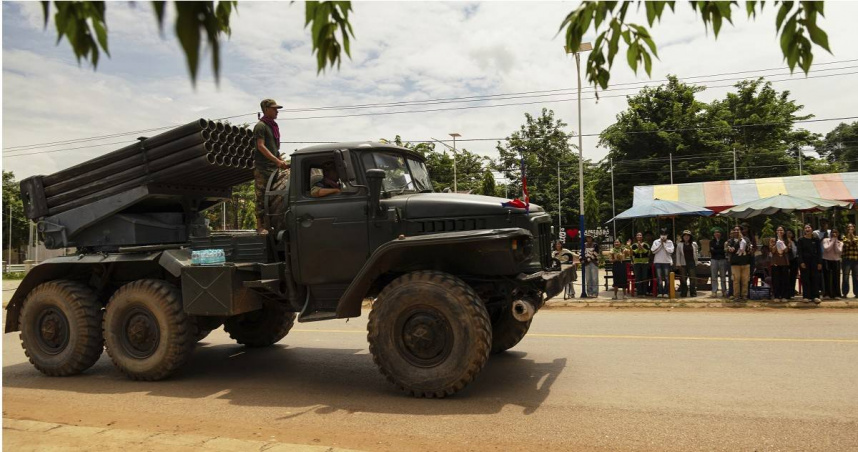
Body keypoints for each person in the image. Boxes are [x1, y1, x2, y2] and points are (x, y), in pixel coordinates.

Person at [253, 98, 291, 234]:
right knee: (261, 196)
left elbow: (274, 148)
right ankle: (260, 226)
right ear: (266, 109)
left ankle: (270, 224)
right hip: (263, 168)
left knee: (273, 197)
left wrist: (280, 160)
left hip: (273, 167)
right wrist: (276, 161)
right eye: (274, 109)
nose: (277, 111)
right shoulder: (261, 126)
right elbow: (261, 146)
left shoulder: (272, 126)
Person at [797, 223, 822, 304]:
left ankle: (815, 296)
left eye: (809, 227)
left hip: (814, 262)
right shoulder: (801, 240)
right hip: (804, 262)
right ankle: (806, 296)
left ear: (812, 229)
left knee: (815, 278)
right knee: (805, 279)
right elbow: (799, 252)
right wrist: (801, 262)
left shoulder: (816, 240)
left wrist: (819, 262)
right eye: (806, 228)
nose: (807, 229)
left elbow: (819, 252)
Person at [725, 225, 751, 302]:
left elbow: (749, 248)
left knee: (745, 281)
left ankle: (744, 296)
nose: (736, 231)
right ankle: (736, 296)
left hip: (745, 263)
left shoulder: (746, 239)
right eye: (735, 230)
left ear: (741, 231)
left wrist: (748, 246)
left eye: (738, 230)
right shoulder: (731, 240)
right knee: (736, 281)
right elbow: (727, 249)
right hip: (735, 263)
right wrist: (730, 248)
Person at [651, 228, 674, 298]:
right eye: (662, 234)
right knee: (659, 277)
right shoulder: (656, 241)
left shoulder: (670, 242)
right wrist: (660, 244)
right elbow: (653, 251)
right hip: (658, 262)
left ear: (667, 235)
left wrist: (664, 244)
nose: (663, 236)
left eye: (665, 234)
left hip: (666, 262)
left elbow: (670, 252)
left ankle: (666, 292)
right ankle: (660, 292)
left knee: (667, 277)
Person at [675, 230, 698, 297]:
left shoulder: (694, 244)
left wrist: (696, 262)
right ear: (683, 237)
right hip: (683, 263)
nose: (686, 237)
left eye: (688, 236)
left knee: (692, 278)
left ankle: (693, 292)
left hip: (692, 263)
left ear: (690, 237)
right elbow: (678, 254)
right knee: (683, 279)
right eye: (685, 236)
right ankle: (684, 292)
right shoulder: (679, 245)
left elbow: (696, 253)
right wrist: (678, 264)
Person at [770, 227, 791, 302]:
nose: (779, 231)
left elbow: (786, 250)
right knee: (776, 280)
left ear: (784, 232)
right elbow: (772, 251)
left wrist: (781, 242)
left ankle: (784, 296)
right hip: (775, 262)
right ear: (776, 231)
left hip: (784, 262)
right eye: (778, 230)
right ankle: (776, 296)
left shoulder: (787, 240)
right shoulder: (772, 240)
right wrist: (777, 242)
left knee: (784, 280)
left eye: (781, 230)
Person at [822, 228, 843, 300]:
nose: (834, 234)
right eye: (833, 232)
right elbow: (827, 249)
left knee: (836, 277)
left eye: (836, 232)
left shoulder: (840, 242)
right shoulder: (825, 240)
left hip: (836, 260)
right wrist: (833, 241)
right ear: (830, 233)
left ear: (838, 234)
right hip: (826, 260)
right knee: (827, 277)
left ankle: (836, 294)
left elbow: (838, 251)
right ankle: (827, 294)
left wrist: (835, 242)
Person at [709, 227, 728, 298]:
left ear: (720, 234)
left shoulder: (724, 242)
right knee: (714, 276)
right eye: (715, 233)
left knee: (723, 276)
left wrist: (716, 249)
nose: (717, 234)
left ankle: (724, 291)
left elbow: (724, 251)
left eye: (718, 232)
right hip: (714, 260)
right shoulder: (711, 242)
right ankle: (714, 291)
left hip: (722, 259)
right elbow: (712, 251)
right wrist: (719, 249)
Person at [630, 232, 651, 297]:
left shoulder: (646, 245)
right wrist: (638, 248)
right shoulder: (633, 245)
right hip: (637, 263)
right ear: (636, 237)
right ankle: (639, 292)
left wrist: (642, 247)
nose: (639, 236)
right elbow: (633, 253)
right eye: (638, 235)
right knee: (638, 277)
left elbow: (647, 253)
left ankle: (644, 292)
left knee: (645, 277)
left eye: (640, 235)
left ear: (642, 237)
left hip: (645, 263)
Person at [840, 223, 858, 298]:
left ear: (854, 229)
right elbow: (847, 245)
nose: (850, 229)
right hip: (846, 260)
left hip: (856, 260)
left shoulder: (857, 237)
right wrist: (850, 238)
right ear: (846, 229)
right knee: (845, 277)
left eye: (851, 227)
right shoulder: (844, 237)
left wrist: (852, 236)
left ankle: (857, 293)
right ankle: (845, 293)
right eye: (848, 227)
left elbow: (856, 244)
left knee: (856, 277)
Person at [786, 229, 799, 298]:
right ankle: (786, 293)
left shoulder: (795, 242)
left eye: (790, 233)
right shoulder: (784, 242)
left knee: (793, 277)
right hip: (786, 261)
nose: (789, 234)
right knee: (786, 277)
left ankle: (792, 292)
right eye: (787, 233)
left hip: (794, 260)